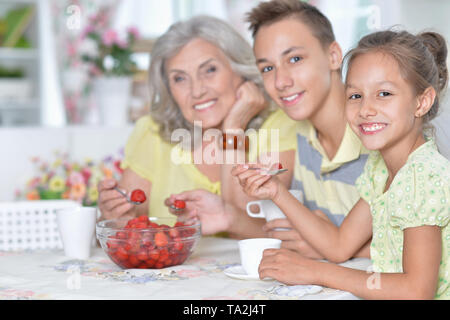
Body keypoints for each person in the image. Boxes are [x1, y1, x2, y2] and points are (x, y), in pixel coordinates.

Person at [241, 29, 450, 299]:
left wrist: (314, 271)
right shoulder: (382, 169)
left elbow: (416, 291)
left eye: (384, 93)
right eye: (355, 96)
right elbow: (339, 245)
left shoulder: (423, 177)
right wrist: (276, 192)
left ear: (422, 101)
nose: (365, 109)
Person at [175, 0, 370, 255]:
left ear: (333, 56)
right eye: (268, 68)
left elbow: (420, 249)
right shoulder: (298, 131)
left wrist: (331, 245)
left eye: (295, 59)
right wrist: (228, 217)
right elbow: (272, 225)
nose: (280, 81)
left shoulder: (377, 132)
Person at [97, 15, 297, 227]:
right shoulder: (153, 131)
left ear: (240, 70)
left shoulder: (280, 126)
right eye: (180, 78)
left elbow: (259, 226)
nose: (197, 91)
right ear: (168, 89)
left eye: (210, 70)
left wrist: (233, 128)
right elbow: (123, 227)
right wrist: (114, 217)